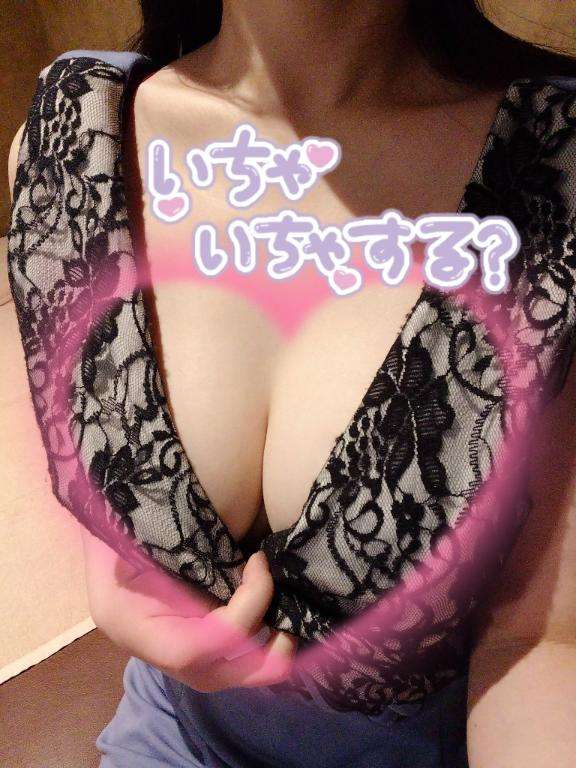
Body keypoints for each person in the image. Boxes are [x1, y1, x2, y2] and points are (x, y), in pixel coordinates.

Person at [4, 1, 576, 766]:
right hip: (171, 739)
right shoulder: (74, 130)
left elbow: (544, 638)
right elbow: (90, 426)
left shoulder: (555, 172)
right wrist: (115, 572)